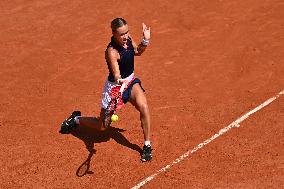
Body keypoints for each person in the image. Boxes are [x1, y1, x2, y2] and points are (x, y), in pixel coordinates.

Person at [60, 18, 152, 162]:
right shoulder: (111, 51)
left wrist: (145, 41)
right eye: (122, 34)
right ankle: (76, 119)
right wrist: (119, 80)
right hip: (115, 88)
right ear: (114, 34)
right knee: (102, 126)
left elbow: (137, 51)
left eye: (127, 32)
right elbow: (116, 74)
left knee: (144, 106)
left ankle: (147, 145)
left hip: (130, 82)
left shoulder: (128, 40)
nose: (125, 36)